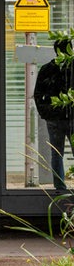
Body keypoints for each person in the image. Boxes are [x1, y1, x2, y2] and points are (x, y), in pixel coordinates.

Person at [33, 39, 74, 191]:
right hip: (68, 117)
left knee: (56, 154)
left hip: (54, 118)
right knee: (57, 154)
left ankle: (60, 188)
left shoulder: (47, 69)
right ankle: (60, 187)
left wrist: (46, 113)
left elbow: (38, 94)